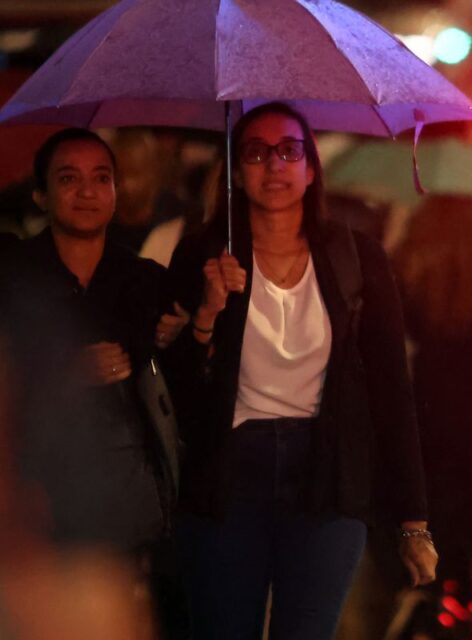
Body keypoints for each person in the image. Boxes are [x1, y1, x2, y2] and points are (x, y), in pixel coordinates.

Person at [163, 103, 436, 640]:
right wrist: (207, 315)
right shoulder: (202, 254)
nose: (275, 166)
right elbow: (178, 391)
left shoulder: (356, 256)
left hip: (328, 474)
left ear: (312, 168)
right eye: (257, 153)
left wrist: (413, 521)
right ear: (236, 171)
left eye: (290, 150)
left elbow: (390, 392)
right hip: (227, 474)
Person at [0, 127, 191, 637]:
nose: (87, 191)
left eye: (100, 178)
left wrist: (198, 322)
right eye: (69, 179)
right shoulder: (14, 277)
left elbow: (188, 383)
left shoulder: (146, 281)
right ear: (41, 194)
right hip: (36, 508)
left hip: (132, 510)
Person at [394, 193, 472, 600]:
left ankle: (422, 583)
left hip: (424, 401)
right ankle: (459, 583)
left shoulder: (410, 270)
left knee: (428, 493)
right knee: (469, 495)